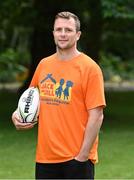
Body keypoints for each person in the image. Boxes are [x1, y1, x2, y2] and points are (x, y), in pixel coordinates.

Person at [12, 11, 106, 179]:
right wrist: (17, 116)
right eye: (59, 29)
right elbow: (30, 99)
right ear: (53, 33)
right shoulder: (44, 65)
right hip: (45, 158)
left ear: (78, 35)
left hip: (77, 159)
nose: (63, 34)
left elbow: (97, 115)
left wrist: (82, 157)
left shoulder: (90, 69)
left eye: (68, 30)